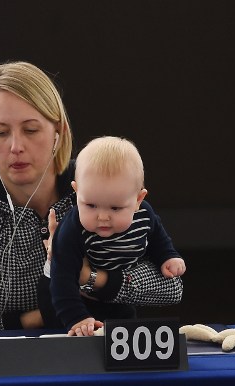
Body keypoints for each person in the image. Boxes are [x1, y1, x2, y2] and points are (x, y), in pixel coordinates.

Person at [0, 61, 181, 333]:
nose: (16, 147)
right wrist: (41, 318)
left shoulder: (95, 189)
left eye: (31, 130)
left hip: (101, 359)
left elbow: (170, 287)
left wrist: (91, 279)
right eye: (0, 133)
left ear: (58, 132)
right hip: (14, 368)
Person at [50, 136, 186, 336]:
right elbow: (61, 278)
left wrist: (167, 256)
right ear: (77, 192)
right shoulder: (72, 228)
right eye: (91, 205)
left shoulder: (144, 215)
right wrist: (76, 318)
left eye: (115, 208)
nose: (103, 217)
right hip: (76, 301)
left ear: (138, 200)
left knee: (122, 334)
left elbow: (158, 239)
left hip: (121, 300)